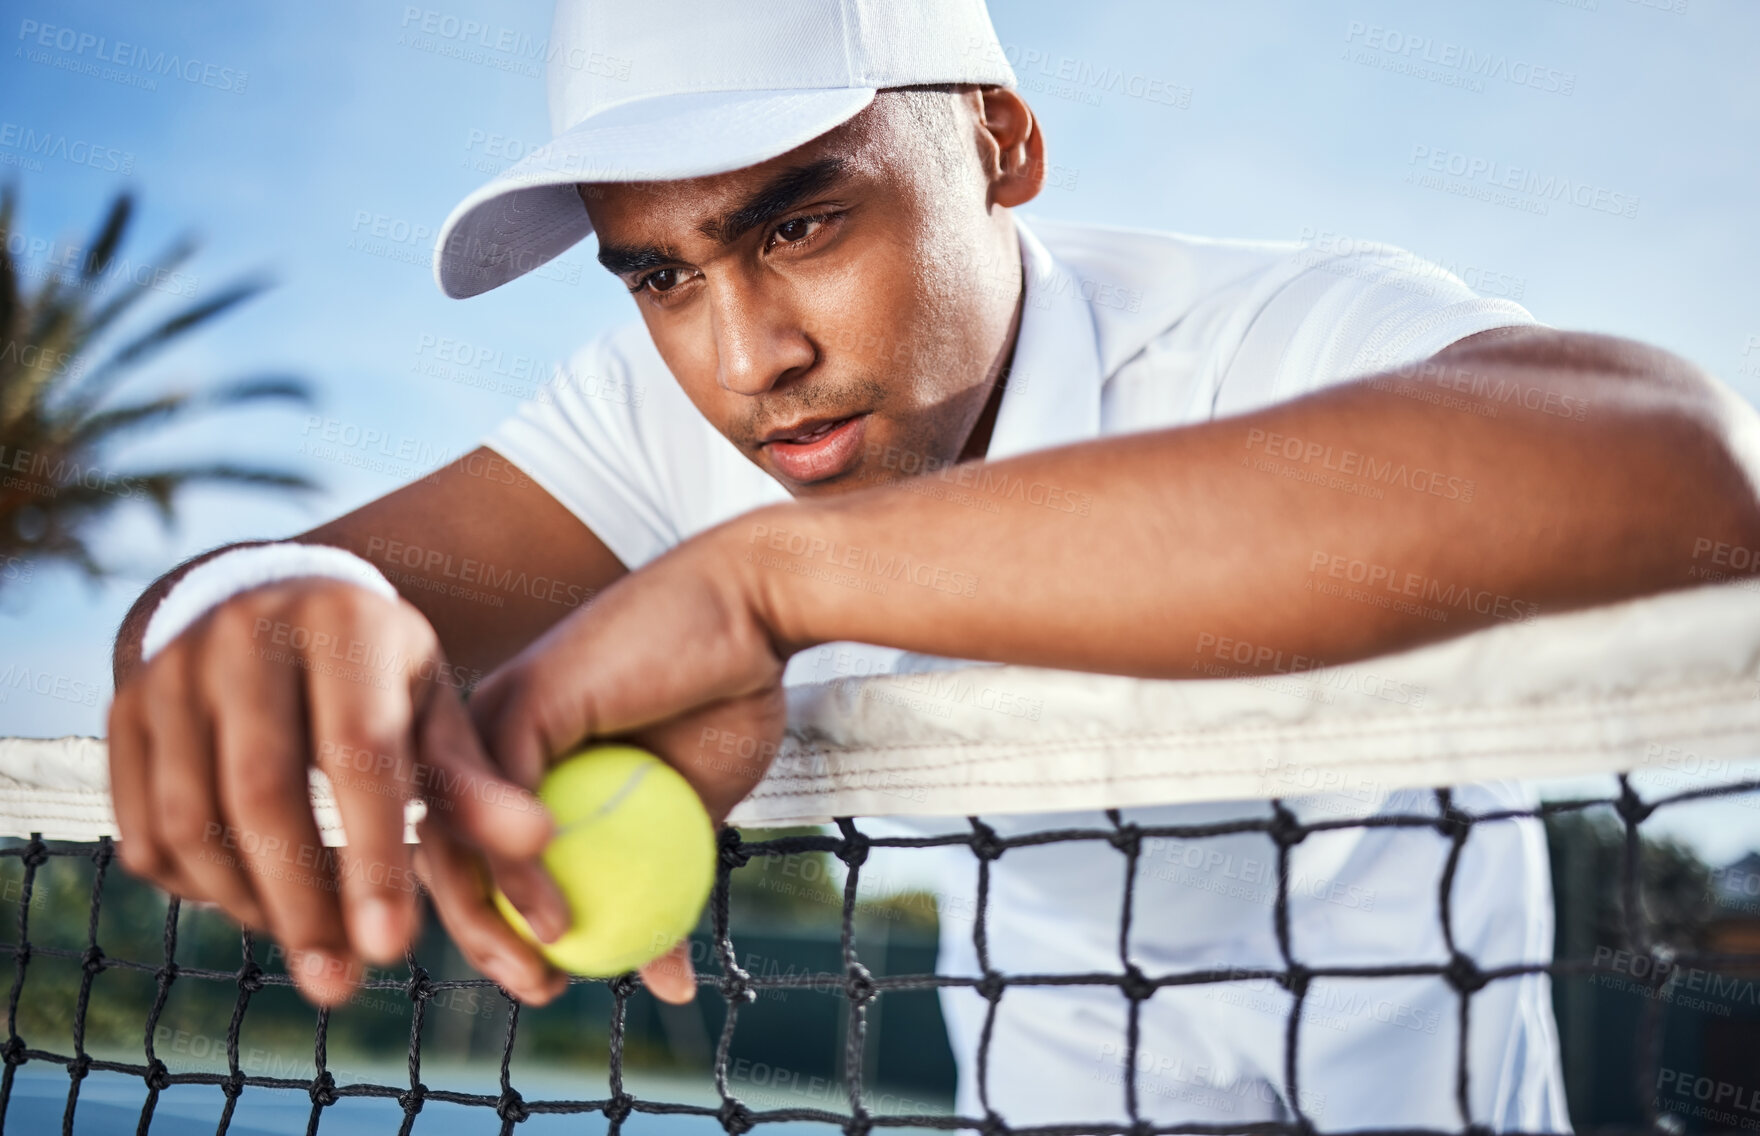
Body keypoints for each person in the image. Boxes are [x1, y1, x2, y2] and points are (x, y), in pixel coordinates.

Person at [107, 0, 1760, 1127]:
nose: (744, 353)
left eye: (798, 225)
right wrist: (251, 608)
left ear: (1000, 146)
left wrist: (769, 582)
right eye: (659, 277)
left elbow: (1685, 473)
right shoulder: (667, 410)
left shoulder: (1269, 338)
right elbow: (242, 608)